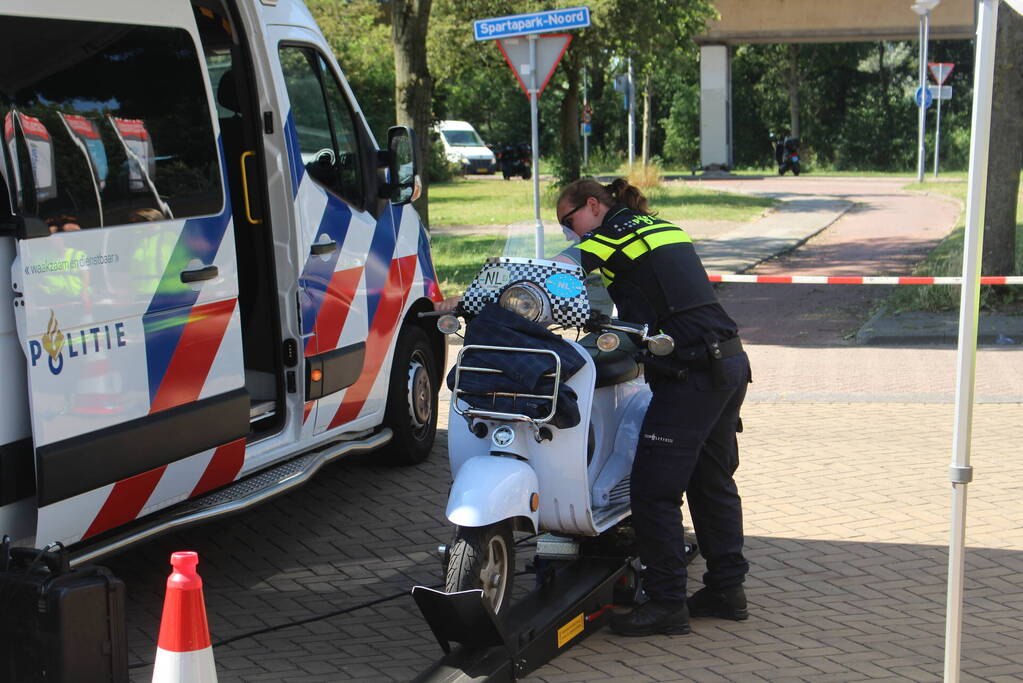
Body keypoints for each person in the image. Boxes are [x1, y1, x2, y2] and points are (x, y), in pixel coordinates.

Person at [436, 177, 751, 637]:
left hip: (692, 372)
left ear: (592, 205)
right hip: (727, 360)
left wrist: (469, 301)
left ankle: (667, 604)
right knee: (711, 481)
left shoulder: (613, 234)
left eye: (570, 221)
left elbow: (549, 275)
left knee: (652, 491)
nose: (570, 231)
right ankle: (727, 590)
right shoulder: (659, 227)